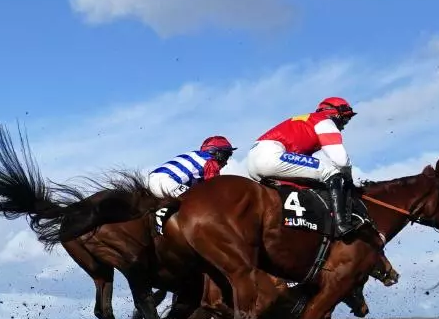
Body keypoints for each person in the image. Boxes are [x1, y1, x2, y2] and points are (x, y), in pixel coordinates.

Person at [246, 97, 361, 236]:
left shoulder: (307, 120)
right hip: (271, 156)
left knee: (311, 178)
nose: (344, 125)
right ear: (336, 114)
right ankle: (341, 225)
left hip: (253, 160)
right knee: (333, 171)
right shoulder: (325, 122)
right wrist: (348, 179)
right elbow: (341, 161)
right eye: (345, 119)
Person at [147, 136, 236, 199]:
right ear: (216, 152)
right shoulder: (210, 161)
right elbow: (214, 187)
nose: (226, 162)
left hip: (154, 180)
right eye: (226, 155)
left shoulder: (197, 156)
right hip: (165, 182)